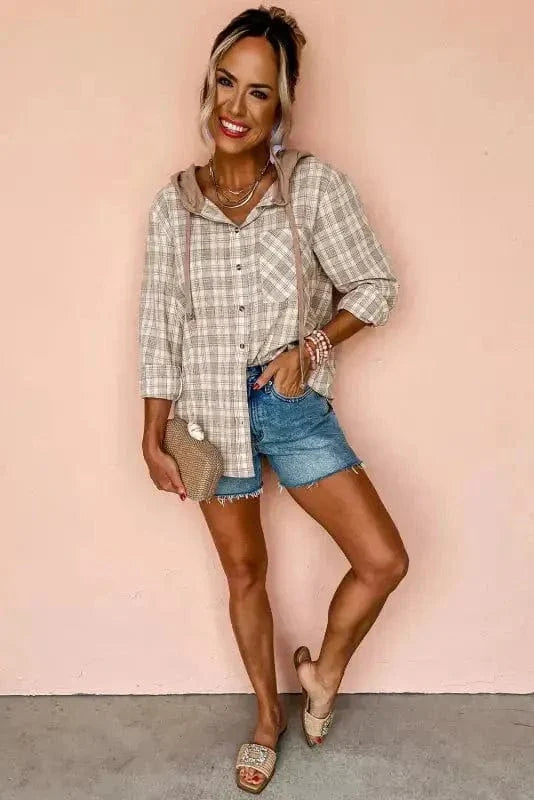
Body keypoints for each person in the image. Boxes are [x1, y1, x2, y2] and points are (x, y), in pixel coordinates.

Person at [138, 4, 409, 793]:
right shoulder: (174, 204)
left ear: (281, 104)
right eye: (227, 82)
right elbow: (158, 324)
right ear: (208, 85)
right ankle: (267, 717)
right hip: (205, 418)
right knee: (245, 572)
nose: (236, 106)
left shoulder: (310, 186)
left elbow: (377, 286)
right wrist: (151, 434)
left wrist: (311, 347)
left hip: (287, 406)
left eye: (258, 92)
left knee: (383, 559)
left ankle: (323, 671)